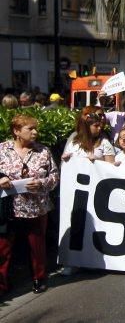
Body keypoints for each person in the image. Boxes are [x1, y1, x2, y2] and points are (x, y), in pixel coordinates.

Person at [0, 114, 59, 294]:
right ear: (17, 131)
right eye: (30, 129)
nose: (35, 132)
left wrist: (41, 183)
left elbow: (55, 177)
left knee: (37, 246)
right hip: (8, 208)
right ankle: (2, 284)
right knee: (3, 248)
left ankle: (39, 278)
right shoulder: (2, 149)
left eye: (36, 129)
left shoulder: (43, 151)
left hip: (37, 208)